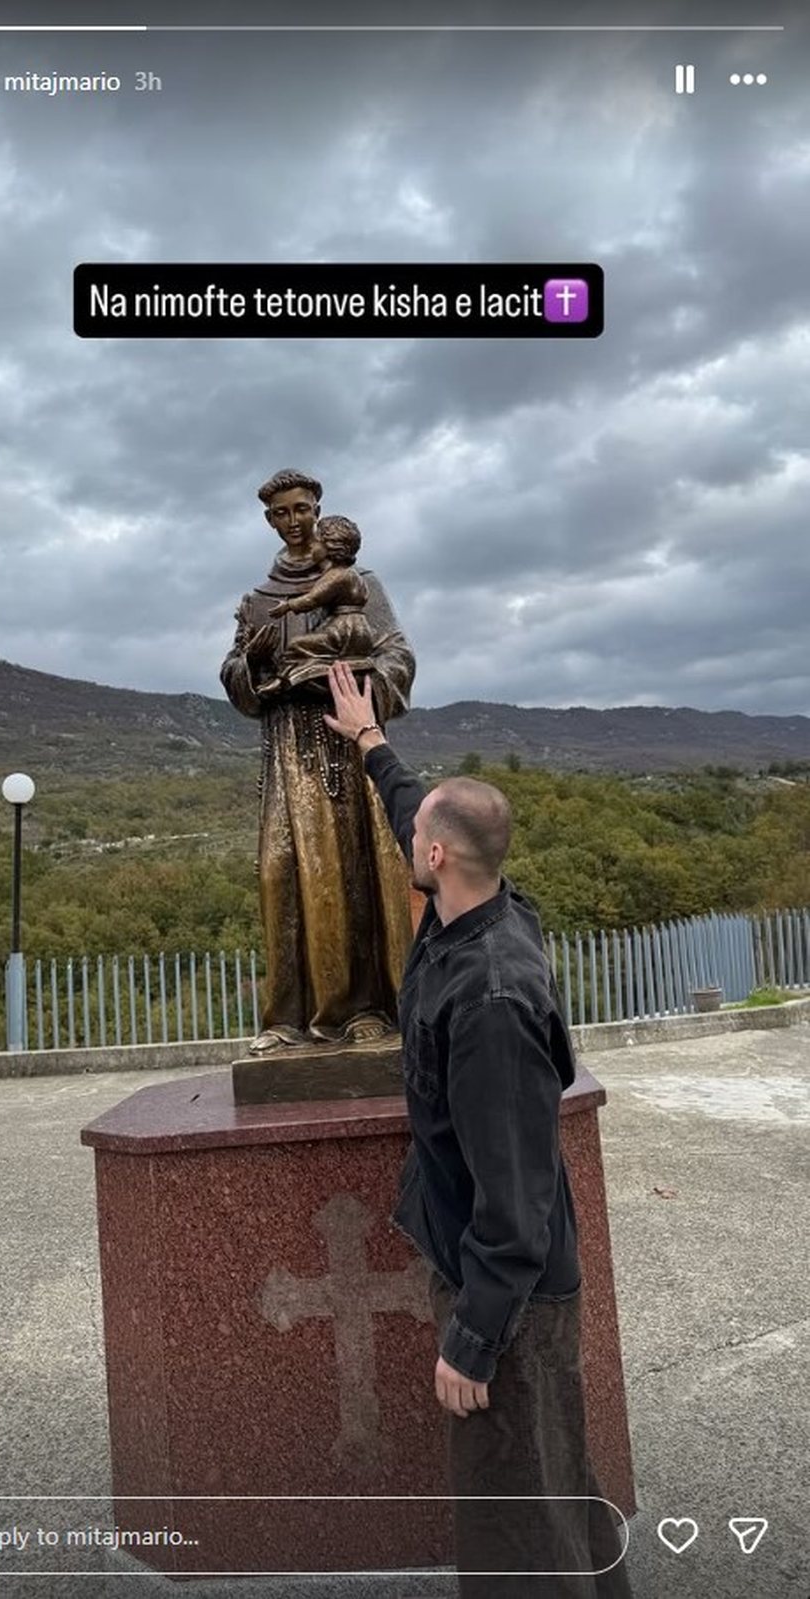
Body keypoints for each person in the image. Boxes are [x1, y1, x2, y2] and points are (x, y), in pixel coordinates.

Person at [323, 659, 633, 1599]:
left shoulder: (491, 996)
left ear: (438, 858)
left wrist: (473, 1336)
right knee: (552, 1476)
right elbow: (415, 807)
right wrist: (370, 740)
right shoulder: (478, 904)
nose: (409, 839)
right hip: (503, 1272)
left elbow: (517, 1192)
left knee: (513, 1512)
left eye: (418, 838)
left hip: (513, 1294)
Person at [220, 470, 415, 1055]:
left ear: (317, 510)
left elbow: (397, 654)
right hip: (286, 751)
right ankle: (288, 1019)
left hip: (347, 745)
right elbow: (235, 675)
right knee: (280, 874)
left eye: (302, 508)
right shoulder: (257, 600)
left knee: (350, 872)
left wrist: (351, 680)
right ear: (269, 520)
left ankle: (364, 1009)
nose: (294, 521)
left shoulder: (359, 582)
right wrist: (251, 664)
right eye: (281, 513)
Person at [259, 514, 376, 695]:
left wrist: (288, 606)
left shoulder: (338, 575)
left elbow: (312, 599)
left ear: (331, 547)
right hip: (359, 629)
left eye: (316, 542)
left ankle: (283, 680)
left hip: (344, 631)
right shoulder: (352, 575)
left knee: (297, 645)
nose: (311, 546)